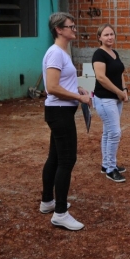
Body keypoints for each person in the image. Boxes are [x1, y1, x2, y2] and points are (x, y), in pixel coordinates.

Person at [40, 12, 92, 231]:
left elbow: (60, 83)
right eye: (70, 26)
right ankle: (60, 212)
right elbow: (51, 87)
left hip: (60, 111)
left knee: (55, 158)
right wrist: (79, 97)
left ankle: (47, 202)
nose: (74, 29)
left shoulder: (62, 52)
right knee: (66, 160)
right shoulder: (55, 54)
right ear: (58, 30)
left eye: (74, 26)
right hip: (59, 112)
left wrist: (76, 88)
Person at [92, 23, 129, 183]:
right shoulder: (98, 55)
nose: (109, 37)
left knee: (108, 132)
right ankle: (111, 169)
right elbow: (101, 78)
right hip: (104, 98)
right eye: (106, 35)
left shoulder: (114, 53)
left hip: (116, 98)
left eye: (111, 34)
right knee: (115, 133)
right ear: (99, 37)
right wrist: (119, 92)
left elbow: (120, 73)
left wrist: (125, 89)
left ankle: (106, 164)